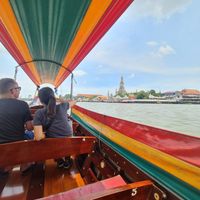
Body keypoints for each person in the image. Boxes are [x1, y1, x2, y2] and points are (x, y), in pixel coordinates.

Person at [33, 87, 76, 169]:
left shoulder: (39, 113)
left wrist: (43, 135)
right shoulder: (63, 106)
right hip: (68, 141)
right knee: (65, 134)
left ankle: (59, 159)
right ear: (53, 97)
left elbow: (38, 137)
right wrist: (60, 99)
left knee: (47, 136)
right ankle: (67, 160)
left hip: (53, 145)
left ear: (41, 100)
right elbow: (74, 101)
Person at [0, 78, 33, 144]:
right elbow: (29, 127)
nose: (19, 91)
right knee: (30, 134)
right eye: (18, 88)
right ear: (12, 91)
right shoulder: (22, 104)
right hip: (18, 146)